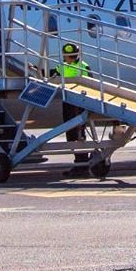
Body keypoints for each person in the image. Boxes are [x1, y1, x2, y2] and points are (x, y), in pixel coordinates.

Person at [59, 42, 92, 178]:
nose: (67, 58)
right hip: (72, 102)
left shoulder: (80, 66)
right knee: (74, 133)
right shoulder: (80, 66)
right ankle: (81, 163)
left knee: (76, 134)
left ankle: (81, 165)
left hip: (76, 103)